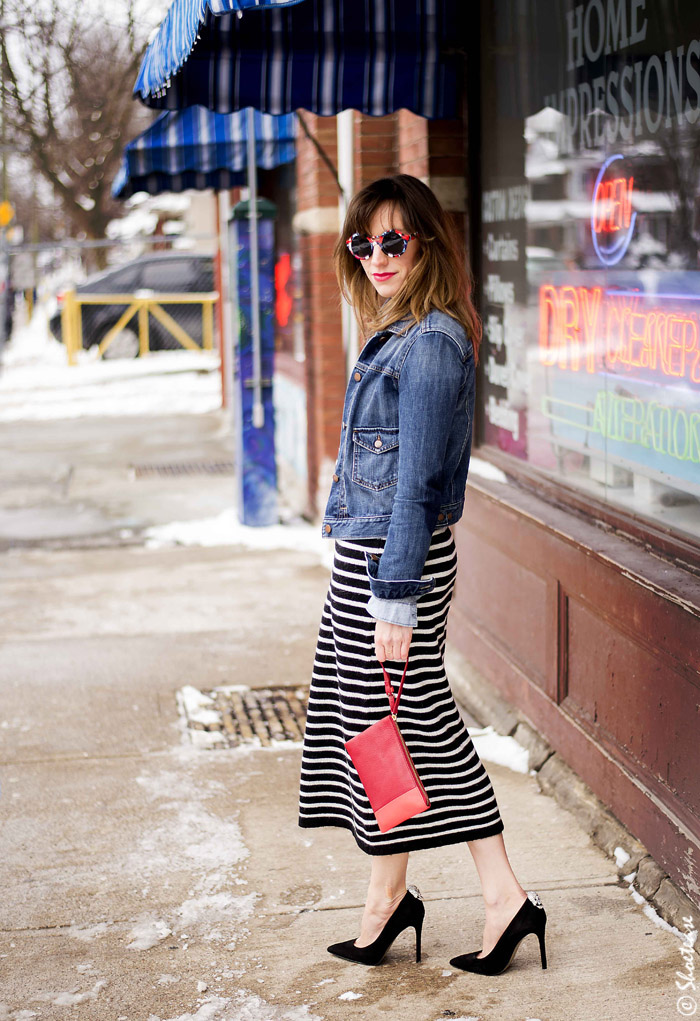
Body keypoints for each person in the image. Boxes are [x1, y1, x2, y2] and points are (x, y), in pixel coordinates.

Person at [298, 175, 547, 975]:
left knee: (417, 721)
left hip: (393, 565)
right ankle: (387, 900)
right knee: (375, 727)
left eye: (395, 241)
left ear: (429, 245)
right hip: (371, 558)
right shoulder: (399, 330)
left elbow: (413, 488)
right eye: (362, 242)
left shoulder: (432, 342)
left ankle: (504, 897)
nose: (376, 255)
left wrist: (396, 597)